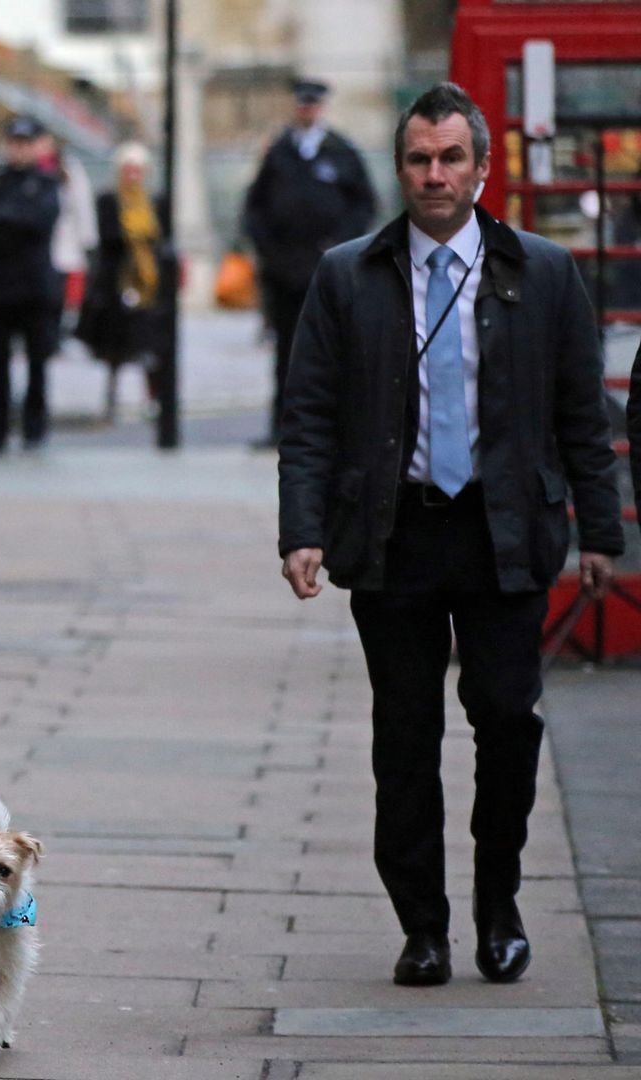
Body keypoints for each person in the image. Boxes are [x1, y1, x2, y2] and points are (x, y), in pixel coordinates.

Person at [278, 82, 622, 988]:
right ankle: (422, 927)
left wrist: (602, 530)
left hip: (505, 534)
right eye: (420, 159)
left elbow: (583, 414)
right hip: (394, 536)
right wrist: (302, 529)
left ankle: (498, 904)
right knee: (405, 736)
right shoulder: (347, 273)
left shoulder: (542, 271)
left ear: (482, 166)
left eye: (451, 158)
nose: (435, 175)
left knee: (508, 721)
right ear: (401, 169)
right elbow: (309, 414)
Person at [245, 77, 377, 449]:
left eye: (313, 104)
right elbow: (255, 209)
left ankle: (335, 428)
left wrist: (339, 246)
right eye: (301, 103)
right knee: (286, 352)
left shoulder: (340, 151)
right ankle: (283, 427)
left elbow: (364, 205)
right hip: (285, 272)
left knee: (334, 350)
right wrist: (271, 252)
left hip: (329, 270)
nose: (307, 110)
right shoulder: (279, 152)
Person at [0, 116, 63, 454]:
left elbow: (39, 223)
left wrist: (5, 221)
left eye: (24, 143)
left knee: (38, 362)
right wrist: (9, 222)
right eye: (14, 143)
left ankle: (34, 428)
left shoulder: (46, 184)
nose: (18, 149)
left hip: (34, 288)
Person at [76, 142, 175, 420]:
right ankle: (111, 399)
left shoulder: (155, 202)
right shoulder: (109, 200)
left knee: (151, 349)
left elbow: (161, 239)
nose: (133, 175)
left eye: (137, 170)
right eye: (128, 170)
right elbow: (107, 240)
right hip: (117, 285)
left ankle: (153, 398)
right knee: (115, 350)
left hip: (149, 285)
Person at [40, 130, 99, 321]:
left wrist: (87, 241)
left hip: (65, 248)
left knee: (63, 303)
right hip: (35, 253)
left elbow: (82, 206)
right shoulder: (25, 171)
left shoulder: (69, 168)